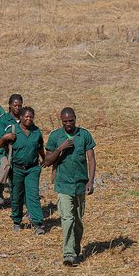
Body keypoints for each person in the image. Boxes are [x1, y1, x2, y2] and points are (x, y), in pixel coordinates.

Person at [43, 107, 96, 266]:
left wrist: (91, 181)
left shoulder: (84, 135)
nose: (68, 124)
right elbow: (46, 161)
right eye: (65, 121)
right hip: (63, 184)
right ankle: (68, 254)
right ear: (61, 121)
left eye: (71, 121)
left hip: (80, 184)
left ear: (75, 118)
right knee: (67, 219)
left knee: (78, 221)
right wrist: (61, 148)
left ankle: (76, 250)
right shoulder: (55, 136)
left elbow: (91, 159)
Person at [0, 107, 45, 234]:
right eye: (26, 117)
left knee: (33, 196)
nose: (28, 119)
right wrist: (5, 138)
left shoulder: (36, 131)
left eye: (31, 117)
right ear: (21, 117)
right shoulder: (12, 129)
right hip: (16, 169)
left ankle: (37, 223)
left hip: (32, 168)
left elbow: (40, 148)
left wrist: (45, 160)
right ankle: (17, 220)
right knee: (16, 196)